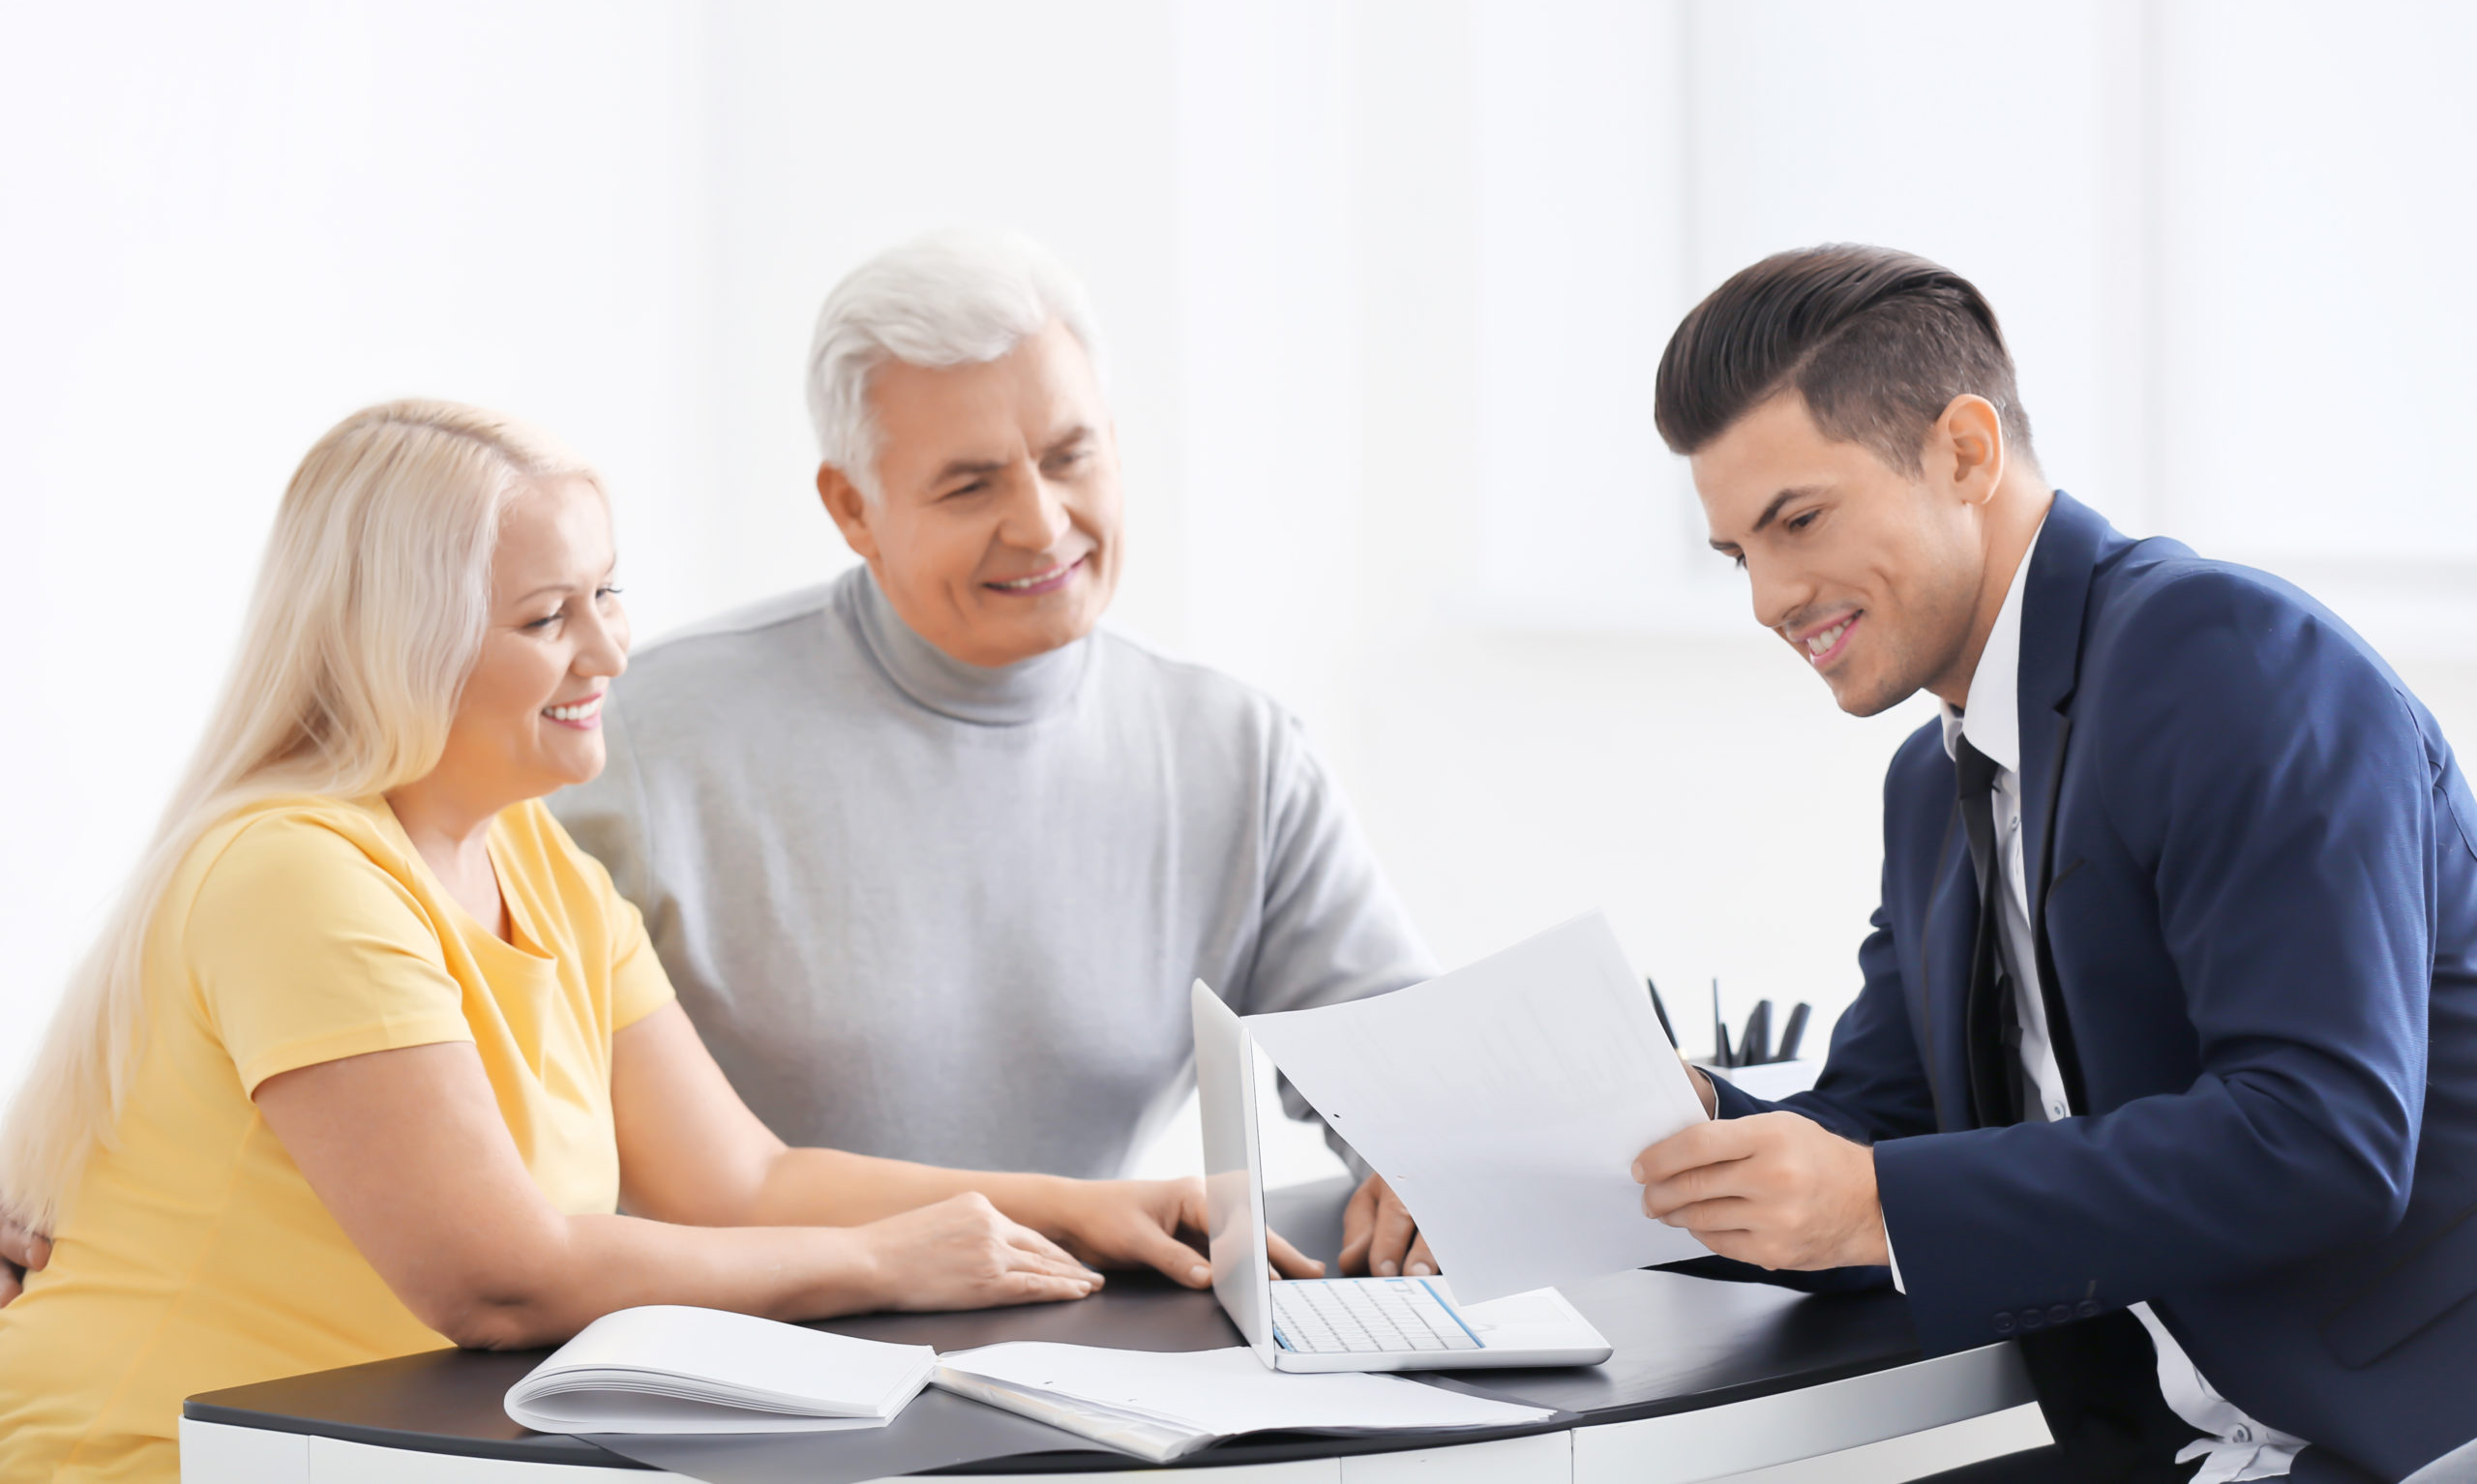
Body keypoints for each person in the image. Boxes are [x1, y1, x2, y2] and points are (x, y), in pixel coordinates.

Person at [0, 401, 1311, 1482]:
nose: (610, 648)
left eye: (606, 591)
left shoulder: (533, 859)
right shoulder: (295, 871)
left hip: (404, 1449)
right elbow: (499, 1281)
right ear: (401, 642)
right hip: (165, 1453)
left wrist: (1104, 1207)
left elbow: (742, 1177)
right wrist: (878, 1260)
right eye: (545, 617)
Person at [1626, 247, 2477, 1483]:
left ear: (1963, 453)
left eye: (1797, 521)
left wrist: (1871, 1200)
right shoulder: (1937, 784)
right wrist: (1665, 1134)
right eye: (1735, 555)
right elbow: (1880, 1125)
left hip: (2410, 1433)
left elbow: (2323, 1135)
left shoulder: (2226, 662)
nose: (1766, 598)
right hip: (2192, 1439)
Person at [544, 229, 1438, 1275]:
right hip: (755, 1370)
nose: (1042, 521)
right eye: (970, 487)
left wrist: (1424, 1159)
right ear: (852, 509)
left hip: (1088, 1363)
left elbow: (1403, 1075)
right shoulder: (638, 737)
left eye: (1072, 457)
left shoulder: (1237, 754)